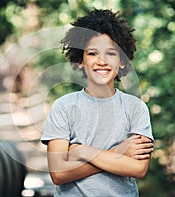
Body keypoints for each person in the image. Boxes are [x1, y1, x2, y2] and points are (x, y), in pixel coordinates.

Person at [41, 8, 154, 196]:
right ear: (80, 60)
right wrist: (118, 153)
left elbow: (139, 169)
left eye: (111, 53)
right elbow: (58, 173)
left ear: (123, 61)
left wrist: (82, 151)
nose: (102, 61)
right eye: (93, 53)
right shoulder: (64, 107)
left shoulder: (136, 108)